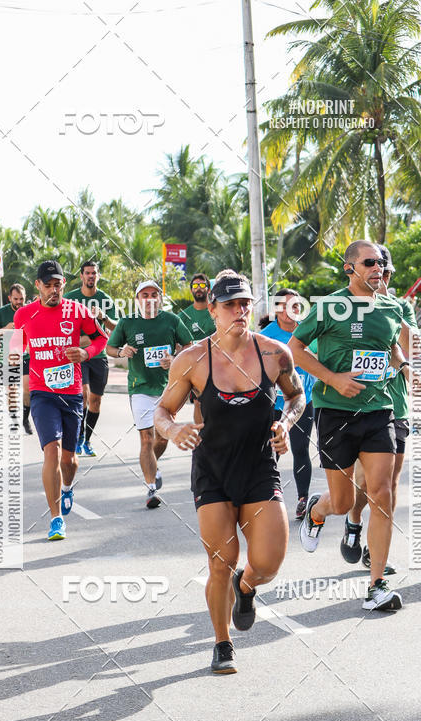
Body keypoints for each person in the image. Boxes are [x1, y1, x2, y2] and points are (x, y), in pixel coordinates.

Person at [155, 269, 306, 674]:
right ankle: (222, 643)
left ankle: (247, 585)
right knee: (221, 560)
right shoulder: (192, 360)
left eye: (244, 304)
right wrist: (173, 430)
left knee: (268, 564)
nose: (239, 311)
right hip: (213, 471)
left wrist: (285, 423)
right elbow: (162, 411)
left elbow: (297, 397)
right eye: (229, 305)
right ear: (213, 311)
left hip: (259, 467)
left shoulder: (274, 354)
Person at [289, 240, 413, 612]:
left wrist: (403, 366)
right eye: (369, 262)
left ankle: (376, 586)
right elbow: (295, 348)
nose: (378, 269)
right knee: (342, 502)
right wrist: (333, 378)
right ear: (350, 268)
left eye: (381, 264)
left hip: (379, 410)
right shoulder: (330, 306)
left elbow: (392, 347)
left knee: (382, 493)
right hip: (335, 412)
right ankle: (317, 510)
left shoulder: (391, 307)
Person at [13, 261, 107, 540]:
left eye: (58, 284)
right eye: (48, 285)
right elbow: (16, 349)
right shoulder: (24, 315)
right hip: (42, 393)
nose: (54, 290)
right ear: (38, 286)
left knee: (70, 460)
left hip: (71, 393)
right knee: (51, 451)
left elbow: (101, 339)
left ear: (64, 284)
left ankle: (67, 487)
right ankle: (56, 519)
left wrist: (86, 353)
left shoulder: (77, 311)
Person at [339, 245, 416, 574]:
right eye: (373, 267)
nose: (380, 275)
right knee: (364, 481)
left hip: (395, 405)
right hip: (361, 405)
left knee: (389, 483)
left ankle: (375, 549)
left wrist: (389, 307)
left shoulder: (400, 307)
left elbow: (410, 347)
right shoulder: (347, 307)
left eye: (385, 271)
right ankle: (354, 519)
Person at [107, 280, 193, 509]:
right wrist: (121, 351)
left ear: (160, 298)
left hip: (167, 388)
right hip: (140, 388)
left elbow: (189, 345)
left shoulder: (172, 320)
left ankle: (153, 464)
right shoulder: (127, 322)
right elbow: (110, 348)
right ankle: (151, 488)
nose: (149, 299)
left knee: (162, 438)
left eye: (154, 294)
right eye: (144, 295)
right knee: (146, 438)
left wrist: (174, 359)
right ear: (137, 299)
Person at [260, 288, 316, 519]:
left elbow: (321, 359)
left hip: (303, 402)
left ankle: (303, 499)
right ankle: (269, 497)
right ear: (276, 310)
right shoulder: (266, 336)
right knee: (272, 451)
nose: (290, 311)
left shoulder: (308, 330)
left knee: (300, 449)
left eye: (295, 306)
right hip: (274, 404)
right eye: (284, 306)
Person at [64, 260, 118, 456]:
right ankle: (77, 437)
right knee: (84, 395)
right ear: (81, 276)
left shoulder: (105, 299)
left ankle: (87, 440)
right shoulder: (70, 298)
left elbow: (116, 327)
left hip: (98, 355)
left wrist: (103, 317)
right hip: (78, 355)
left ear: (98, 276)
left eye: (94, 273)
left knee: (96, 401)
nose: (90, 276)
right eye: (87, 273)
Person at [0, 284, 32, 433]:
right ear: (9, 298)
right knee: (12, 390)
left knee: (27, 387)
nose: (19, 302)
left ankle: (25, 419)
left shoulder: (30, 311)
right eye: (16, 299)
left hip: (26, 355)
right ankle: (14, 418)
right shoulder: (1, 313)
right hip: (8, 356)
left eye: (22, 299)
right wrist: (7, 328)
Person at [178, 274, 216, 424]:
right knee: (198, 402)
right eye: (195, 286)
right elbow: (178, 343)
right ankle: (202, 434)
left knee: (219, 401)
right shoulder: (183, 316)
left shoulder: (217, 311)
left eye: (202, 285)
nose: (198, 288)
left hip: (218, 363)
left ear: (208, 289)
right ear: (191, 290)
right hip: (195, 366)